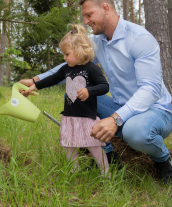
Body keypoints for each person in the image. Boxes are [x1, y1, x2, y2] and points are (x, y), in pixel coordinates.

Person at [20, 0, 172, 188]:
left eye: (89, 15)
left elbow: (151, 89)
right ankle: (108, 155)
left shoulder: (139, 39)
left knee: (135, 132)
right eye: (84, 17)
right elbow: (70, 65)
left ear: (105, 8)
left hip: (155, 110)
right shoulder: (98, 42)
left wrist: (115, 119)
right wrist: (35, 80)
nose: (85, 21)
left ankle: (162, 159)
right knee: (76, 97)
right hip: (119, 106)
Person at [25, 24, 110, 176]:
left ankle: (106, 175)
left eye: (66, 54)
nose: (64, 58)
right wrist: (34, 86)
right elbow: (52, 79)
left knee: (94, 147)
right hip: (69, 117)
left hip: (87, 118)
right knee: (69, 146)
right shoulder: (66, 68)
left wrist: (88, 91)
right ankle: (73, 173)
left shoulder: (92, 68)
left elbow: (104, 86)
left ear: (79, 51)